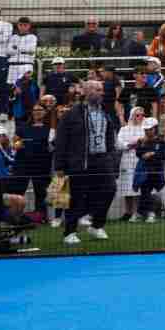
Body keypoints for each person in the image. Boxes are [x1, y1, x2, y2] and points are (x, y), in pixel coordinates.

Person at [53, 80, 121, 245]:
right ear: (86, 92)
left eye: (101, 89)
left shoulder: (106, 112)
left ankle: (97, 225)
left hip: (102, 159)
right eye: (97, 89)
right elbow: (61, 140)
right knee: (75, 196)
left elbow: (110, 137)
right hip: (80, 160)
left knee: (110, 189)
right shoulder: (72, 113)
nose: (101, 92)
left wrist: (111, 158)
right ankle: (69, 232)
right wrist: (60, 166)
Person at [13, 103, 55, 226]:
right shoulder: (23, 126)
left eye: (40, 110)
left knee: (41, 193)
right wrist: (17, 144)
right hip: (22, 164)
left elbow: (52, 145)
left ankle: (41, 218)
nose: (37, 112)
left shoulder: (49, 128)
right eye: (35, 110)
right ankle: (14, 218)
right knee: (18, 191)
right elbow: (15, 142)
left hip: (42, 165)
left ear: (45, 112)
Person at [131, 118, 165, 223]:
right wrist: (143, 147)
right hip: (145, 171)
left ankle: (141, 213)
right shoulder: (141, 141)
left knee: (153, 193)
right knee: (145, 192)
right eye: (146, 129)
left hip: (157, 171)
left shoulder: (161, 141)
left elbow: (164, 155)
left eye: (150, 129)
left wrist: (153, 154)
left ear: (155, 129)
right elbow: (138, 153)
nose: (147, 131)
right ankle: (149, 213)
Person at [115, 107, 147, 221]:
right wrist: (130, 145)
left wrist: (138, 145)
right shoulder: (124, 129)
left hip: (139, 160)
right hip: (127, 159)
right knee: (126, 186)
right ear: (132, 115)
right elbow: (118, 144)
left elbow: (148, 143)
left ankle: (136, 212)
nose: (140, 117)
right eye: (137, 115)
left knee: (136, 186)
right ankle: (128, 212)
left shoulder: (145, 129)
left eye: (142, 115)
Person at [7, 16, 38, 86]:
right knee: (11, 89)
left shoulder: (32, 37)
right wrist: (23, 50)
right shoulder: (13, 37)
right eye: (20, 25)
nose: (22, 27)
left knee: (25, 89)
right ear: (17, 25)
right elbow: (8, 51)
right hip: (12, 66)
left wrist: (16, 48)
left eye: (25, 25)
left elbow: (31, 50)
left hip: (26, 66)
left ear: (29, 26)